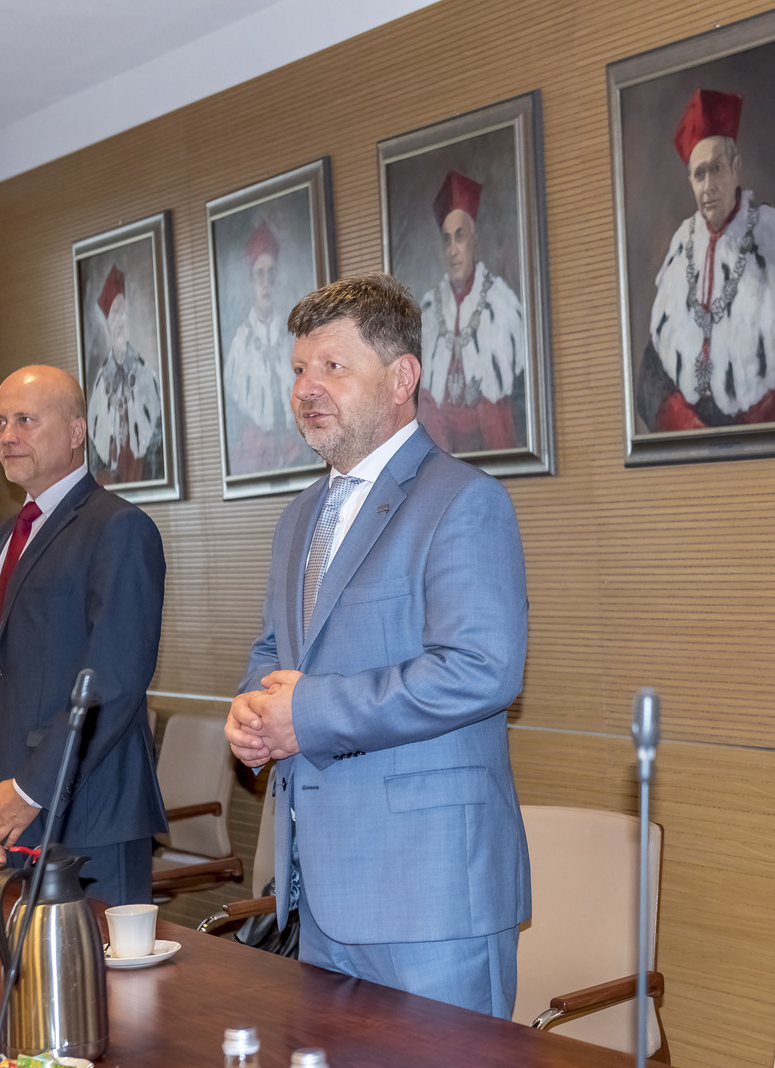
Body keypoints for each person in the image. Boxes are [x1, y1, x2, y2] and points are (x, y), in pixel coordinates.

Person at [225, 273, 530, 1016]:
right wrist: (254, 713)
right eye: (299, 368)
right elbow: (276, 650)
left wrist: (307, 714)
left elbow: (481, 670)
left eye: (334, 366)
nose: (307, 388)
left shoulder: (464, 501)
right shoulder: (300, 516)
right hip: (318, 896)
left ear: (402, 377)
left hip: (430, 897)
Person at [0, 364, 168, 906]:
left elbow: (113, 681)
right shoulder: (7, 534)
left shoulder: (119, 527)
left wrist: (32, 789)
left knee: (100, 964)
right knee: (11, 960)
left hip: (88, 811)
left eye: (26, 420)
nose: (7, 436)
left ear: (77, 431)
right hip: (8, 807)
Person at [638, 88, 775, 432]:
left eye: (716, 169)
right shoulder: (681, 245)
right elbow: (653, 363)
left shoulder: (771, 235)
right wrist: (676, 417)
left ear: (736, 168)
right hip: (691, 434)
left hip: (759, 430)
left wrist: (772, 409)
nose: (708, 186)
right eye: (699, 174)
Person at [418, 170, 527, 453]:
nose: (453, 250)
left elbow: (513, 390)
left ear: (474, 240)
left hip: (488, 433)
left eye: (460, 237)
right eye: (446, 240)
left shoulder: (501, 302)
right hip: (441, 439)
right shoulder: (428, 308)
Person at [223, 221, 308, 473]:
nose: (266, 282)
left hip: (293, 445)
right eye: (260, 274)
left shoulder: (293, 336)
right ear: (251, 283)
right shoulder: (240, 343)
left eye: (271, 273)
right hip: (255, 448)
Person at [87, 266, 165, 485]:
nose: (121, 320)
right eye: (115, 313)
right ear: (107, 322)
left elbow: (158, 439)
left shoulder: (145, 373)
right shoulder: (101, 382)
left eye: (124, 313)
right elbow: (95, 451)